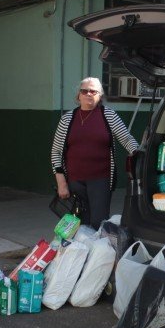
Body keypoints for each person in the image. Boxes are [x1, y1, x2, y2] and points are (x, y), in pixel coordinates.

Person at [51, 77, 139, 229]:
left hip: (101, 181)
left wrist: (140, 156)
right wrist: (61, 183)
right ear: (78, 95)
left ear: (100, 95)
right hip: (73, 182)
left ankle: (99, 252)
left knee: (99, 223)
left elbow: (126, 139)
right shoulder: (67, 119)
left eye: (93, 91)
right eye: (84, 91)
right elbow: (56, 152)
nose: (88, 94)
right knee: (77, 225)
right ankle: (80, 253)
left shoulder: (109, 116)